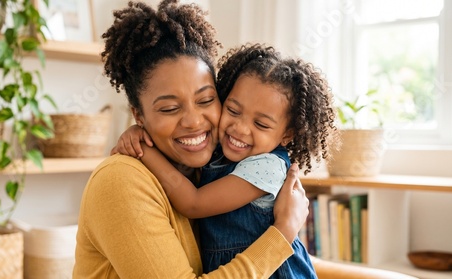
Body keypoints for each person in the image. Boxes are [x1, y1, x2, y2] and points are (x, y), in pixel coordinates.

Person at [73, 1, 310, 278]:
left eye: (206, 100)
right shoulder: (120, 180)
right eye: (170, 108)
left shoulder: (210, 165)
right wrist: (282, 233)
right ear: (139, 115)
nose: (194, 121)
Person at [114, 44, 338, 278]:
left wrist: (144, 150)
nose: (239, 129)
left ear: (287, 134)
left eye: (261, 124)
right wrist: (140, 131)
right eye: (232, 110)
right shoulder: (218, 149)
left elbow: (193, 203)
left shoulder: (266, 166)